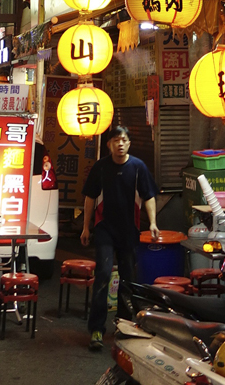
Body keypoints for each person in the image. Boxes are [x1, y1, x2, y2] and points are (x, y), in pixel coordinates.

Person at [81, 124, 159, 351]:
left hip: (129, 230)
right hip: (104, 228)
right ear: (109, 144)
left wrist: (153, 222)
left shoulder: (138, 167)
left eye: (124, 140)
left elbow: (149, 196)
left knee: (128, 279)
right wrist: (86, 227)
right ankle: (96, 329)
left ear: (129, 143)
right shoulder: (101, 167)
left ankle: (124, 325)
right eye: (116, 140)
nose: (120, 144)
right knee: (103, 274)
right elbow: (89, 198)